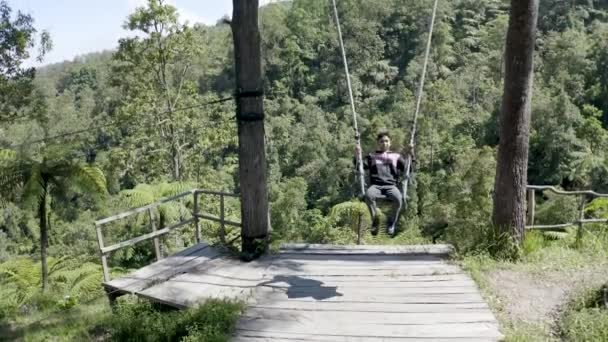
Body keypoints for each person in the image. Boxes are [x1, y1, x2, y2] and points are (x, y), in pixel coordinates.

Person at [355, 131, 407, 237]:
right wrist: (357, 155)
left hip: (391, 186)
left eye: (386, 141)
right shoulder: (371, 156)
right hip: (376, 185)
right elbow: (360, 167)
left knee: (398, 199)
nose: (384, 143)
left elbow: (407, 168)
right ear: (378, 143)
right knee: (368, 196)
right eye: (382, 141)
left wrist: (411, 154)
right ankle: (375, 221)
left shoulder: (396, 156)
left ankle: (391, 222)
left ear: (390, 143)